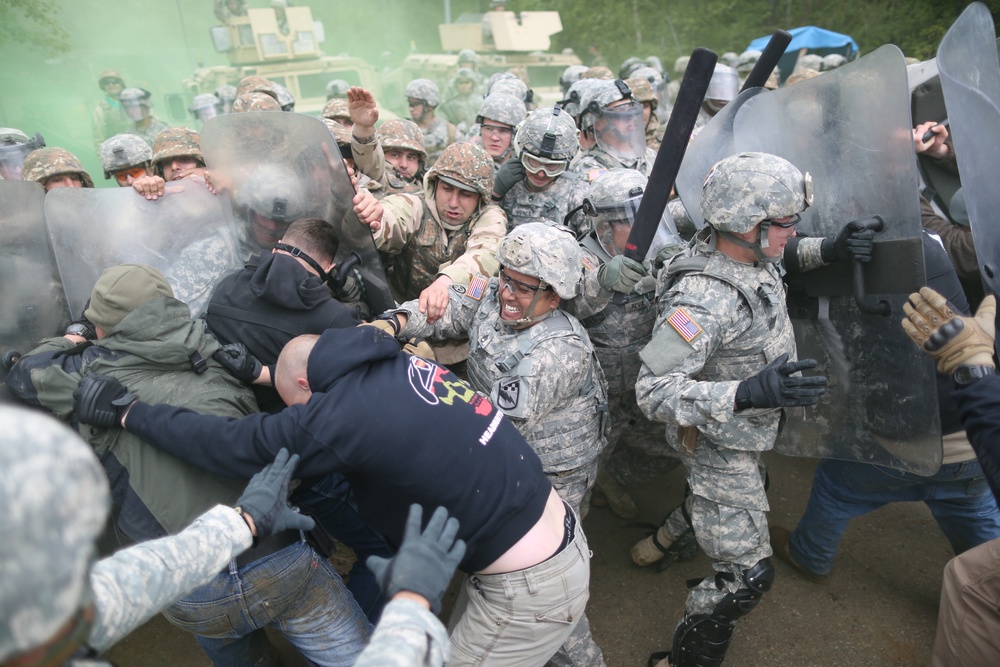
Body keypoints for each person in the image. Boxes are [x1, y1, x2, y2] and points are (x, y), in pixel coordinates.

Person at [71, 324, 593, 667]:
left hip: (528, 588)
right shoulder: (394, 364)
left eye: (296, 405)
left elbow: (234, 445)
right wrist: (261, 374)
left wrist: (129, 413)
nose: (299, 416)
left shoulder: (341, 416)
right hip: (557, 535)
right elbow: (307, 383)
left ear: (307, 384)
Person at [5, 264, 372, 667]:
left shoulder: (86, 378)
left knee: (224, 634)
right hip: (279, 557)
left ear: (104, 327)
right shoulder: (215, 348)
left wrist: (75, 336)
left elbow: (25, 373)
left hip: (193, 587)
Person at [379, 221, 609, 667]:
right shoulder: (501, 294)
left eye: (523, 288)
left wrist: (426, 371)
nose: (507, 293)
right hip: (510, 458)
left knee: (541, 584)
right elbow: (451, 309)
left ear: (553, 296)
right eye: (506, 278)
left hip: (551, 479)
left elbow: (484, 425)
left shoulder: (555, 353)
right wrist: (398, 321)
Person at [634, 153, 831, 667]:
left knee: (749, 492)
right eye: (785, 224)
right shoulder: (703, 301)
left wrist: (831, 249)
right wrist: (745, 394)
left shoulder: (749, 256)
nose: (791, 232)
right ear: (750, 225)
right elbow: (652, 391)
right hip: (719, 443)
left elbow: (782, 260)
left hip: (743, 436)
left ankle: (664, 539)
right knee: (745, 579)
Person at [0, 403, 316, 667]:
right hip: (251, 555)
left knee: (217, 628)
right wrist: (242, 524)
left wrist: (240, 525)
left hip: (194, 580)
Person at [770, 232, 1000, 583]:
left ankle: (809, 554)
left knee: (836, 482)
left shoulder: (845, 261)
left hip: (902, 446)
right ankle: (991, 593)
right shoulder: (929, 246)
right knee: (978, 515)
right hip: (975, 447)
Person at [564, 168, 678, 520]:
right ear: (604, 227)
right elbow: (562, 304)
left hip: (647, 382)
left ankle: (614, 479)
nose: (651, 232)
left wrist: (675, 268)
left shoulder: (661, 251)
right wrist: (601, 280)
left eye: (654, 220)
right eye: (635, 223)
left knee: (672, 446)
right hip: (599, 397)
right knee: (579, 475)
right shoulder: (578, 258)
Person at [901, 287, 1000, 667]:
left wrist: (972, 365)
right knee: (976, 552)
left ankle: (810, 554)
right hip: (971, 455)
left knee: (836, 487)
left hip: (933, 445)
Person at [364, 141, 507, 368]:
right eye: (447, 189)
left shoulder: (490, 217)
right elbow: (392, 217)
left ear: (480, 199)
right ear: (434, 185)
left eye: (465, 194)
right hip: (403, 332)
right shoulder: (416, 205)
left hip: (461, 349)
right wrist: (374, 220)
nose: (453, 203)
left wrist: (446, 282)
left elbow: (486, 253)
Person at [494, 106, 589, 230]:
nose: (541, 174)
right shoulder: (507, 186)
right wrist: (495, 195)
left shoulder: (577, 194)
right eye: (533, 162)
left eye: (552, 166)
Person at [348, 87, 425, 196]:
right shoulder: (379, 179)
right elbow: (370, 158)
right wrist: (363, 128)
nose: (404, 164)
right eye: (395, 155)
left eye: (411, 157)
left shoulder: (429, 186)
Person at [576, 79, 656, 182]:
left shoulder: (650, 156)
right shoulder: (589, 167)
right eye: (620, 111)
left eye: (631, 108)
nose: (630, 116)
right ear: (598, 123)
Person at [405, 78, 456, 165]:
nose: (411, 108)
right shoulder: (404, 129)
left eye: (415, 104)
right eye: (410, 104)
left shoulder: (449, 131)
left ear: (429, 105)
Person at [473, 92, 526, 165]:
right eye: (488, 129)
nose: (494, 137)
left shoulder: (528, 169)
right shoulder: (466, 163)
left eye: (503, 131)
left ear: (515, 134)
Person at [92, 69, 132, 153]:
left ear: (121, 83)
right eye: (106, 83)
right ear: (103, 87)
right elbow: (99, 141)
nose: (111, 85)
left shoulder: (133, 101)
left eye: (114, 81)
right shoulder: (101, 110)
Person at [21, 147, 94, 191]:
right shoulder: (26, 216)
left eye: (74, 178)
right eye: (57, 180)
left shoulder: (93, 214)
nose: (71, 185)